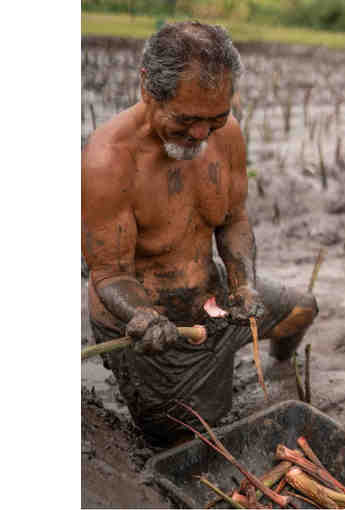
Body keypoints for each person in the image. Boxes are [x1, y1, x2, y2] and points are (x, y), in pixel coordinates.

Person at [82, 21, 318, 445]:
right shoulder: (109, 160)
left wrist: (243, 284)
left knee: (302, 310)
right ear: (147, 89)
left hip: (213, 294)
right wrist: (144, 316)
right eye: (186, 119)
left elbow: (233, 219)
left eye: (215, 118)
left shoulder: (224, 135)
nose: (200, 135)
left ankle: (275, 365)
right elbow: (109, 275)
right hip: (153, 323)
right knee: (192, 433)